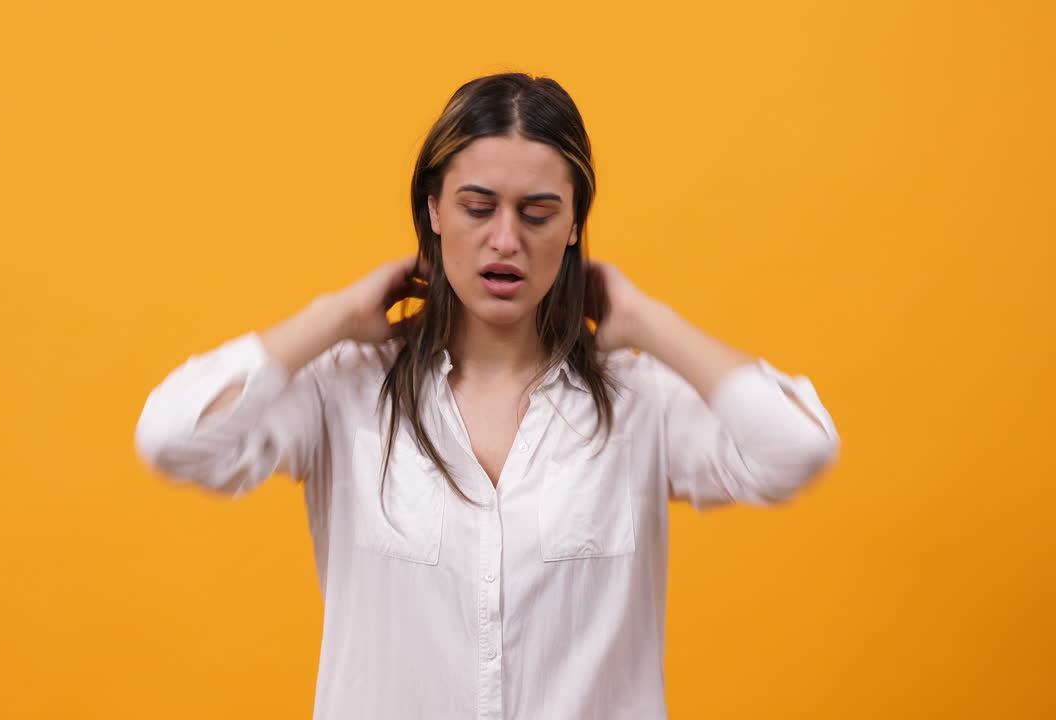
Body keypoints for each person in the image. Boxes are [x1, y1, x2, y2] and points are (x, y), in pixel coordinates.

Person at [134, 72, 840, 720]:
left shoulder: (638, 399)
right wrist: (332, 316)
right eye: (478, 207)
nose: (506, 240)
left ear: (573, 228)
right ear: (434, 209)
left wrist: (650, 322)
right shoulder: (347, 388)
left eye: (538, 214)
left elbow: (798, 447)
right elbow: (173, 438)